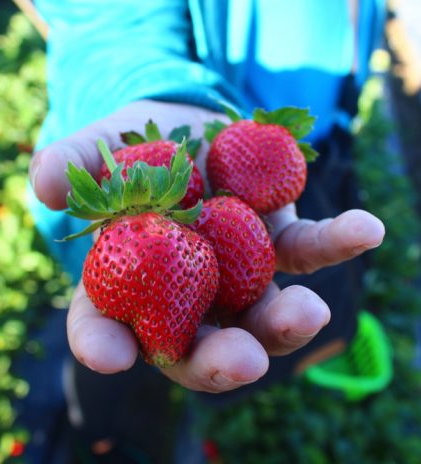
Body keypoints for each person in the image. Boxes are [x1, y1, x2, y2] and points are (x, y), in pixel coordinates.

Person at [25, 0, 386, 460]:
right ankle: (116, 439)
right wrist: (160, 91)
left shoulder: (209, 227)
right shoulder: (150, 236)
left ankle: (209, 399)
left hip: (319, 148)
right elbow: (101, 17)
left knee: (282, 316)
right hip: (185, 109)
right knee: (117, 359)